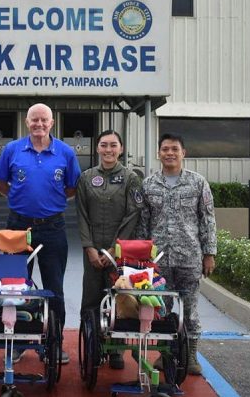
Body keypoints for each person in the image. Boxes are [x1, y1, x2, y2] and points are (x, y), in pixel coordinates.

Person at [0, 103, 81, 364]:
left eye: (44, 120)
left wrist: (48, 204)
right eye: (34, 120)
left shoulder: (65, 152)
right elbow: (0, 183)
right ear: (27, 123)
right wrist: (20, 199)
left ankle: (54, 342)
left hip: (53, 228)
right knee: (14, 288)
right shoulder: (12, 150)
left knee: (54, 289)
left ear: (52, 123)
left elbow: (71, 187)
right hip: (17, 226)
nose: (39, 124)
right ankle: (17, 341)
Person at [137, 132, 217, 376]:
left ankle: (191, 355)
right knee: (161, 308)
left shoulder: (197, 183)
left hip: (189, 257)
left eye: (174, 149)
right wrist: (143, 257)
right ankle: (165, 353)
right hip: (159, 259)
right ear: (159, 153)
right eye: (165, 149)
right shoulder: (149, 184)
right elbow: (143, 223)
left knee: (190, 307)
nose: (169, 153)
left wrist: (209, 253)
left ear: (184, 153)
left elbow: (208, 218)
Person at [76, 130, 143, 370]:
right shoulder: (86, 178)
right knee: (91, 299)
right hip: (93, 249)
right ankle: (92, 345)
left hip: (120, 251)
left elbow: (132, 214)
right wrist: (89, 248)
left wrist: (116, 250)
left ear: (121, 149)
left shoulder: (131, 178)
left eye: (113, 145)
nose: (108, 150)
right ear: (97, 148)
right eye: (103, 145)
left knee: (121, 299)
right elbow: (81, 215)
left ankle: (117, 349)